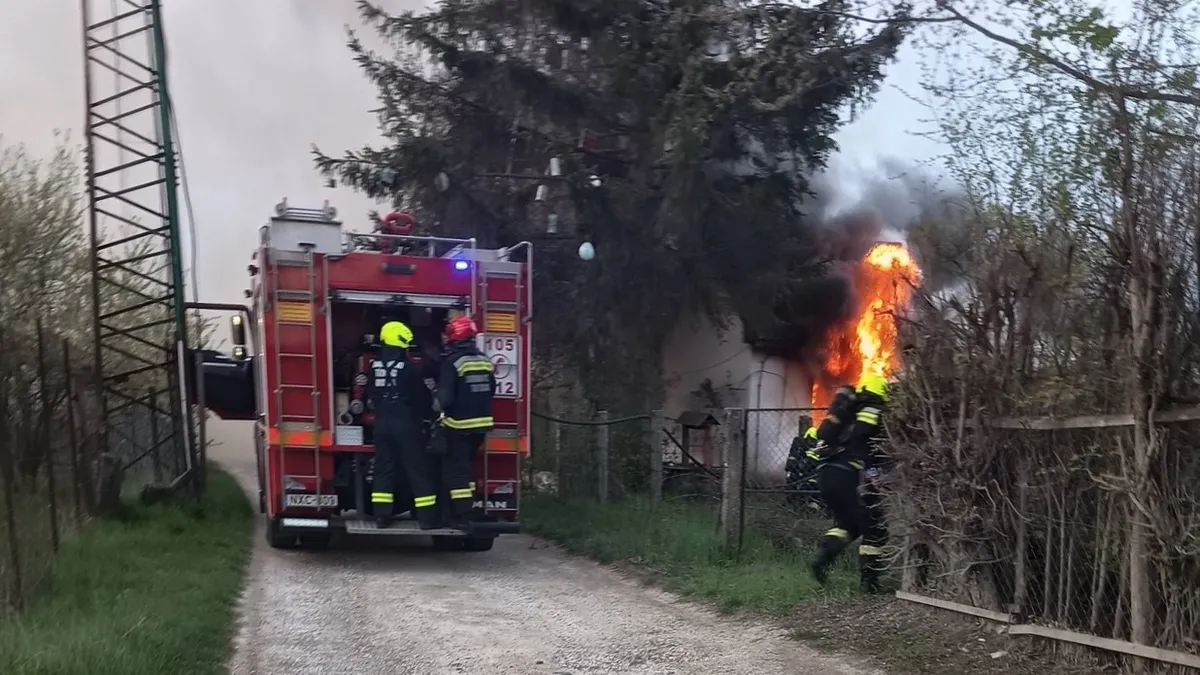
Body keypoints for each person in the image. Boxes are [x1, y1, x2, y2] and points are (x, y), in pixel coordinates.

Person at [808, 373, 891, 593]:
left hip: (827, 475)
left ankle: (822, 558)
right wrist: (873, 472)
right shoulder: (873, 409)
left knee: (849, 525)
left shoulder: (847, 413)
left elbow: (827, 440)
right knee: (875, 527)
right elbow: (864, 442)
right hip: (851, 476)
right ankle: (869, 583)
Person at [366, 320, 440, 529]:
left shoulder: (374, 366)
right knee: (416, 469)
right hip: (406, 425)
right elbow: (421, 398)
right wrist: (427, 417)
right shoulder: (409, 368)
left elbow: (369, 394)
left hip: (381, 425)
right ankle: (426, 519)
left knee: (383, 469)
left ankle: (382, 516)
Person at [435, 316, 496, 529]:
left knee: (456, 471)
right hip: (481, 426)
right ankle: (460, 510)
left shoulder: (452, 362)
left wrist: (434, 406)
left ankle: (461, 515)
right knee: (466, 468)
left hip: (458, 426)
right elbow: (492, 390)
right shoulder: (485, 361)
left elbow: (445, 398)